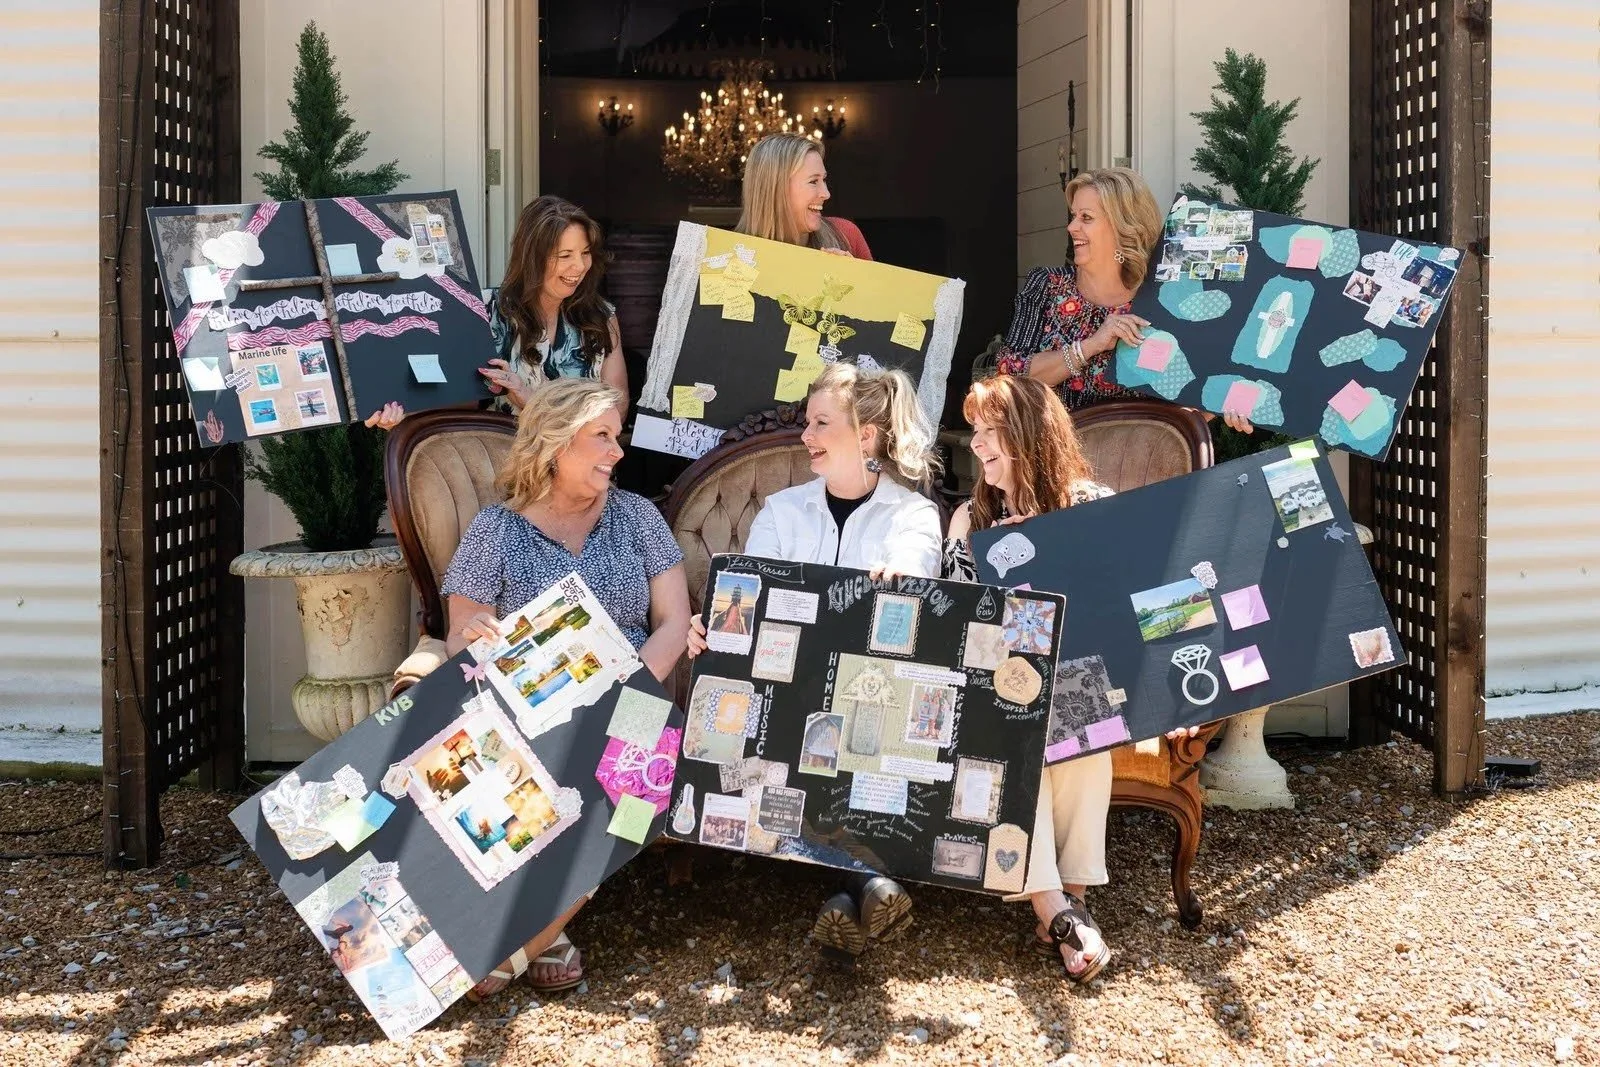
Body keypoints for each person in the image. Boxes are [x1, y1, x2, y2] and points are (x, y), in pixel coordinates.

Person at [942, 374, 1199, 985]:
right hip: (992, 683)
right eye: (974, 431)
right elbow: (952, 621)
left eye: (989, 430)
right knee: (1017, 718)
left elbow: (1144, 598)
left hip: (1080, 677)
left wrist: (1175, 689)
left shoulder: (1088, 504)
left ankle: (1065, 903)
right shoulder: (967, 518)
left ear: (1028, 433)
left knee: (1080, 712)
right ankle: (1058, 909)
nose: (976, 445)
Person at [441, 377, 691, 998]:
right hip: (527, 704)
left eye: (617, 436)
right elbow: (457, 636)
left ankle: (511, 952)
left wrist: (627, 684)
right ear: (555, 444)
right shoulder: (497, 529)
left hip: (628, 693)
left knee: (641, 787)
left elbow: (675, 623)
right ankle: (547, 934)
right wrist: (475, 632)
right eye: (600, 437)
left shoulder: (637, 517)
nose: (617, 451)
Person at [685, 362, 942, 964]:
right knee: (800, 730)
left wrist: (900, 582)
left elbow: (917, 581)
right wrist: (716, 629)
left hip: (868, 700)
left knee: (853, 729)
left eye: (822, 423)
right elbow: (750, 596)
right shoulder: (782, 510)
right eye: (808, 422)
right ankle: (861, 883)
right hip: (787, 696)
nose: (806, 435)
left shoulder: (912, 517)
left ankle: (844, 890)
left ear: (868, 436)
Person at [994, 167, 1255, 436]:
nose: (1072, 227)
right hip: (1059, 467)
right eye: (1074, 216)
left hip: (1149, 466)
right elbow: (1008, 378)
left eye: (1086, 217)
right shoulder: (1047, 286)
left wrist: (1218, 408)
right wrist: (1090, 346)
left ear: (1122, 226)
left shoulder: (1167, 297)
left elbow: (1185, 397)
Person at [363, 195, 628, 430]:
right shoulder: (483, 310)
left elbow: (617, 409)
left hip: (580, 475)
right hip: (497, 469)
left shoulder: (601, 317)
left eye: (585, 253)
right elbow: (459, 398)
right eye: (565, 255)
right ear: (531, 258)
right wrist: (404, 413)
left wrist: (530, 401)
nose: (579, 266)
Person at [736, 132, 873, 260]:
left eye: (823, 180)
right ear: (776, 188)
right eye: (813, 181)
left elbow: (875, 285)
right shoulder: (731, 255)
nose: (826, 194)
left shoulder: (847, 234)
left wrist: (854, 278)